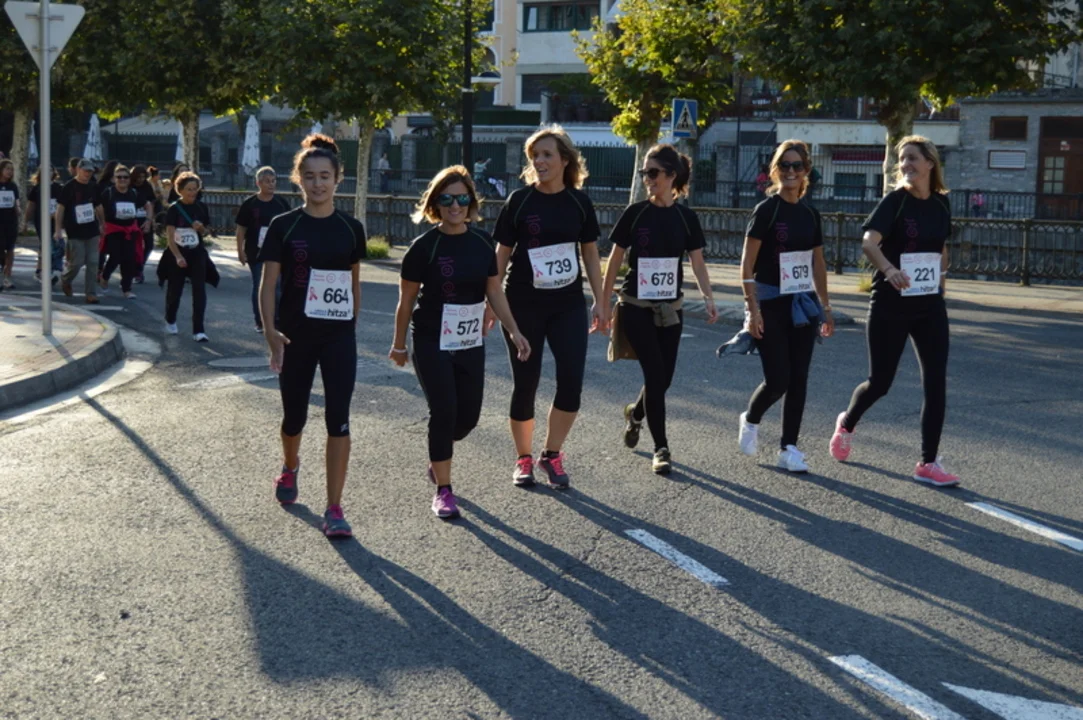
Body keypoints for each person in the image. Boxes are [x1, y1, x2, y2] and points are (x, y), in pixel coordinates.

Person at [392, 166, 531, 519]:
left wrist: (514, 330)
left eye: (462, 198)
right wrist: (399, 344)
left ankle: (438, 453)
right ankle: (444, 489)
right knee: (443, 411)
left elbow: (494, 291)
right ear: (435, 204)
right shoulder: (423, 248)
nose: (455, 206)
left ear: (471, 202)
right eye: (447, 199)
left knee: (467, 417)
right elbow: (406, 302)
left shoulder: (482, 242)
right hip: (431, 339)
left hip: (469, 341)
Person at [829, 135, 959, 487]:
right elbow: (869, 242)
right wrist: (889, 269)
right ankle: (847, 423)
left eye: (912, 158)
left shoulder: (942, 203)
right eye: (902, 159)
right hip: (891, 303)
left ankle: (927, 463)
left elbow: (941, 248)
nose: (905, 165)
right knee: (880, 383)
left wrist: (941, 283)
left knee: (936, 382)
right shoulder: (895, 201)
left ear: (930, 163)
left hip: (929, 304)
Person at [260, 134, 366, 538]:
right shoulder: (283, 226)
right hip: (295, 337)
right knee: (295, 417)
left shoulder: (351, 228)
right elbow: (268, 284)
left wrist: (350, 326)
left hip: (338, 337)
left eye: (325, 176)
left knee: (339, 419)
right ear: (298, 179)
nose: (317, 183)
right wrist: (271, 332)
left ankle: (334, 507)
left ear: (338, 179)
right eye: (309, 176)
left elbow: (354, 283)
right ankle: (290, 466)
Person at [492, 125, 606, 489]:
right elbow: (501, 256)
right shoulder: (520, 201)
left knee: (571, 382)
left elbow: (590, 254)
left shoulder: (579, 202)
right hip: (523, 303)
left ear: (565, 160)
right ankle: (523, 458)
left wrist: (601, 300)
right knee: (526, 382)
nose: (539, 162)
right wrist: (491, 304)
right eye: (534, 156)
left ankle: (551, 454)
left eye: (546, 155)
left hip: (567, 304)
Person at [601, 144, 718, 475]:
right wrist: (603, 301)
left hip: (671, 309)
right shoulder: (636, 213)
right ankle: (661, 448)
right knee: (654, 374)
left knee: (663, 379)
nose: (647, 179)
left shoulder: (686, 217)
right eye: (644, 173)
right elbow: (615, 259)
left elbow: (697, 262)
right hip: (635, 306)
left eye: (653, 173)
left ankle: (636, 413)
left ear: (671, 175)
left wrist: (708, 297)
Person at [737, 140, 835, 473]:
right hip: (769, 302)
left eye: (797, 166)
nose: (791, 171)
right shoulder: (767, 210)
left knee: (799, 379)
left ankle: (788, 448)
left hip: (802, 304)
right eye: (784, 165)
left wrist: (826, 307)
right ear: (775, 170)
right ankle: (751, 418)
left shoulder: (810, 214)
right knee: (778, 379)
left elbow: (818, 263)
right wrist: (752, 309)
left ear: (806, 170)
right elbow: (747, 264)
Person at [159, 171, 216, 340]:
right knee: (175, 289)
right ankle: (170, 319)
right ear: (180, 190)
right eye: (189, 189)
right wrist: (178, 256)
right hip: (177, 252)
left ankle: (199, 330)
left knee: (199, 290)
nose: (192, 192)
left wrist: (201, 228)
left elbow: (207, 232)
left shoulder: (201, 207)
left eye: (195, 189)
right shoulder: (174, 209)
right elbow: (170, 236)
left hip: (196, 252)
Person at [236, 167, 291, 332]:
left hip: (277, 252)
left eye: (273, 181)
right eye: (267, 181)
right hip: (255, 251)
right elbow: (241, 229)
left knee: (278, 286)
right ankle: (260, 321)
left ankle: (277, 320)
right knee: (259, 284)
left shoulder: (281, 203)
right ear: (258, 183)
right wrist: (240, 251)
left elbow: (289, 227)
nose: (271, 184)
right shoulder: (250, 204)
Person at [98, 165, 149, 299]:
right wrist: (101, 223)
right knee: (115, 256)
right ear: (114, 179)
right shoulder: (108, 193)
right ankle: (105, 276)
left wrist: (149, 220)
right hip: (113, 229)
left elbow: (148, 205)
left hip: (130, 230)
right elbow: (98, 207)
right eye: (119, 177)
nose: (122, 180)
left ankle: (126, 289)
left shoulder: (133, 193)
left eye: (125, 177)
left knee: (129, 259)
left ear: (129, 179)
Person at [56, 159, 102, 303]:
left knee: (93, 262)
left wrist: (103, 224)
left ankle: (91, 293)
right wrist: (58, 229)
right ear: (78, 170)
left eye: (90, 171)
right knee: (76, 262)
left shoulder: (93, 187)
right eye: (86, 170)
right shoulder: (69, 187)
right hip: (74, 231)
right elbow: (60, 208)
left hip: (92, 230)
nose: (88, 174)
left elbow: (98, 206)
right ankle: (66, 279)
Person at [25, 166, 64, 285]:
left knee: (55, 244)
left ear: (53, 173)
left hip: (55, 221)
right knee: (46, 244)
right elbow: (31, 206)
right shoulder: (37, 188)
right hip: (41, 221)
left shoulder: (58, 188)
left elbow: (63, 205)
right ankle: (45, 270)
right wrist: (25, 222)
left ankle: (45, 270)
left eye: (50, 170)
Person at [130, 165, 157, 283]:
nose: (140, 179)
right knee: (133, 247)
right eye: (138, 177)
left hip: (146, 218)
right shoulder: (129, 186)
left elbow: (152, 201)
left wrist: (151, 220)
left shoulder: (147, 186)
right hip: (132, 219)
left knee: (149, 245)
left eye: (143, 177)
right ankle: (134, 270)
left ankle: (140, 267)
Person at [0, 159, 22, 290]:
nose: (9, 172)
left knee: (10, 249)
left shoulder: (13, 186)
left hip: (10, 221)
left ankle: (7, 276)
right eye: (7, 168)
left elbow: (16, 201)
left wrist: (18, 209)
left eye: (11, 169)